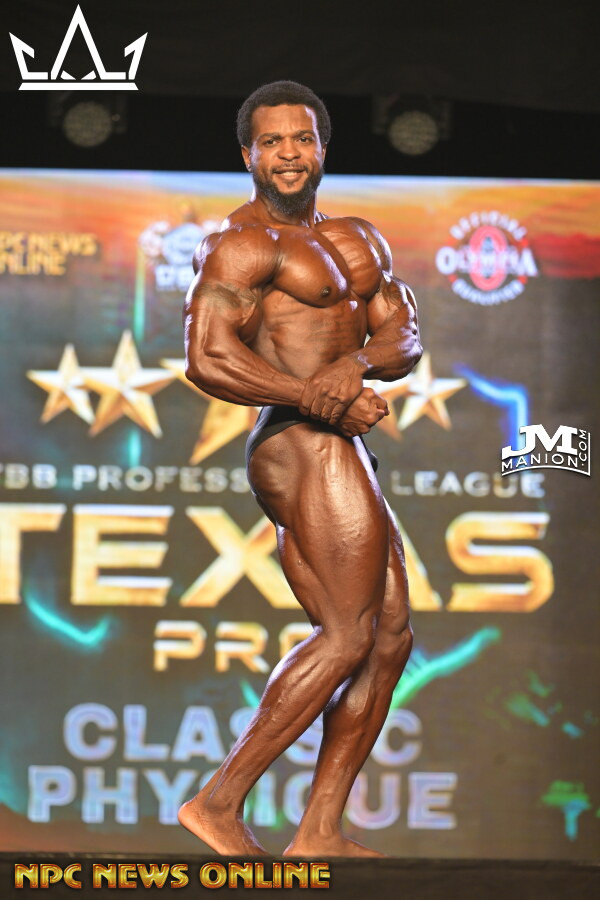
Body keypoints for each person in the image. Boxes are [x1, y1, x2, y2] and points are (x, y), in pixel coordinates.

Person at [179, 80, 422, 858]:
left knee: (389, 636)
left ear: (322, 147)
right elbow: (208, 358)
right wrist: (317, 398)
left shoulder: (359, 239)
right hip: (296, 440)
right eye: (272, 142)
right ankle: (217, 803)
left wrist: (353, 367)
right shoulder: (241, 245)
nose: (289, 154)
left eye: (302, 139)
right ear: (248, 155)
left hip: (339, 439)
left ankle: (318, 831)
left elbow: (404, 334)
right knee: (347, 633)